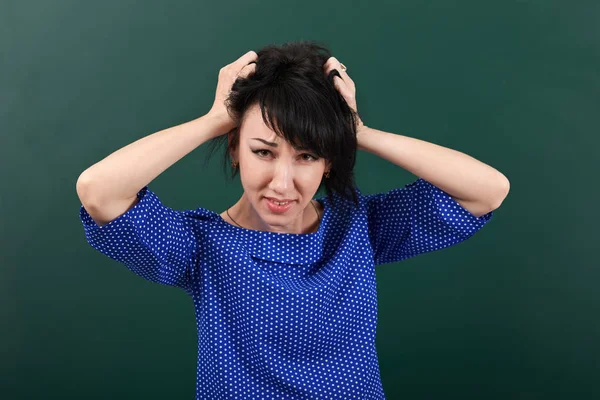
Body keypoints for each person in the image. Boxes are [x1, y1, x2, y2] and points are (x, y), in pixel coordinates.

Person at [76, 41, 509, 399]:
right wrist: (214, 119)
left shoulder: (357, 227)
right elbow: (99, 190)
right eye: (263, 151)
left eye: (307, 156)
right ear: (234, 148)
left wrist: (355, 131)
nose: (282, 183)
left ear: (328, 162)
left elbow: (488, 190)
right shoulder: (201, 246)